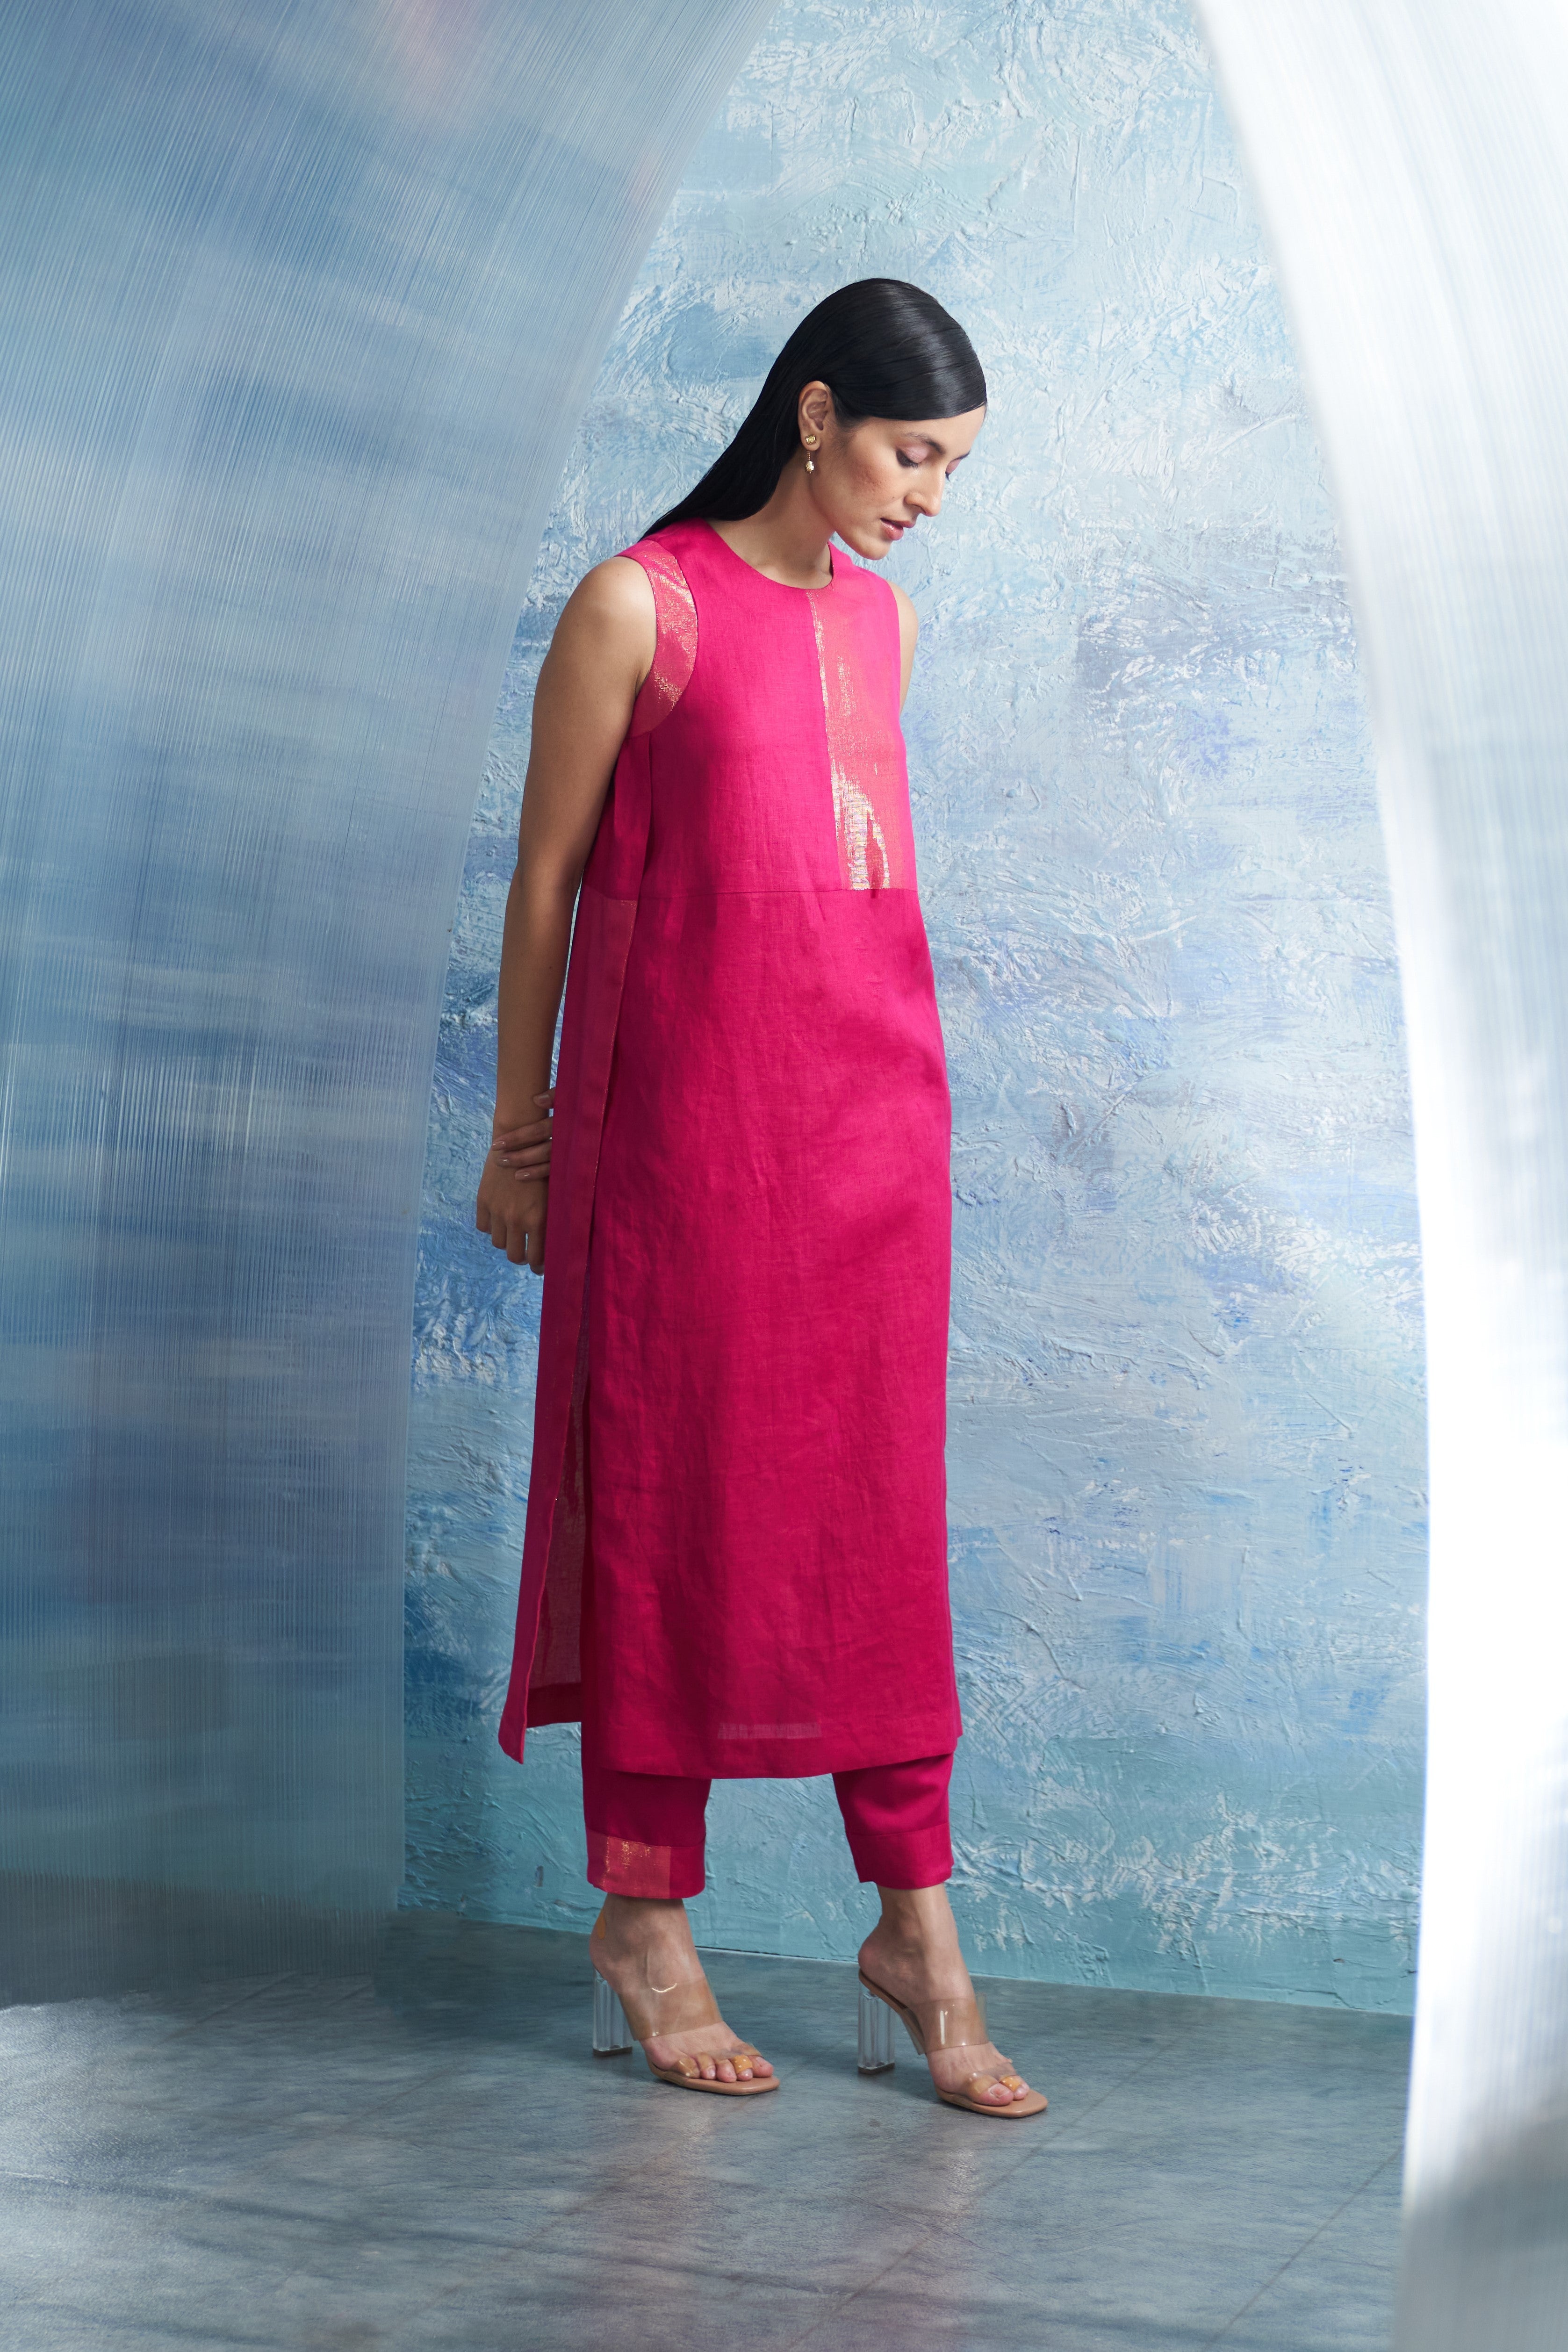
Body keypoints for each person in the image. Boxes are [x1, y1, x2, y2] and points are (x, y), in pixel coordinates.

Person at [476, 279, 1043, 2118]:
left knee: (875, 1525)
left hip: (873, 1148)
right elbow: (545, 884)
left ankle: (914, 1929)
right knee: (670, 1497)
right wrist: (520, 1133)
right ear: (814, 416)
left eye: (951, 469)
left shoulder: (879, 621)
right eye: (910, 454)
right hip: (684, 1150)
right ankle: (643, 1917)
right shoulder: (636, 606)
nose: (926, 499)